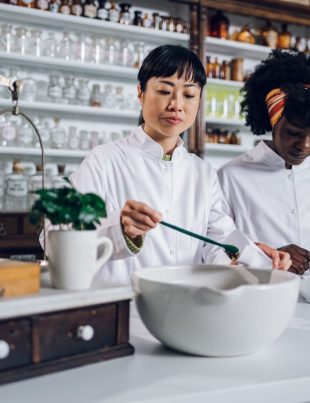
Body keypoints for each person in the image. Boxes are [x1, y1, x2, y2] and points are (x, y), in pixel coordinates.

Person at [62, 45, 289, 284]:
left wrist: (249, 255)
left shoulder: (202, 173)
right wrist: (120, 231)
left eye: (189, 95)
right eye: (163, 91)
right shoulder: (104, 160)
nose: (176, 105)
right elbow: (57, 236)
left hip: (184, 304)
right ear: (140, 93)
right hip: (124, 307)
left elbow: (217, 243)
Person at [218, 50, 310, 275]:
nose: (305, 145)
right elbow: (214, 248)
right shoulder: (232, 176)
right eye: (294, 132)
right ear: (273, 123)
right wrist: (263, 258)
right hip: (259, 299)